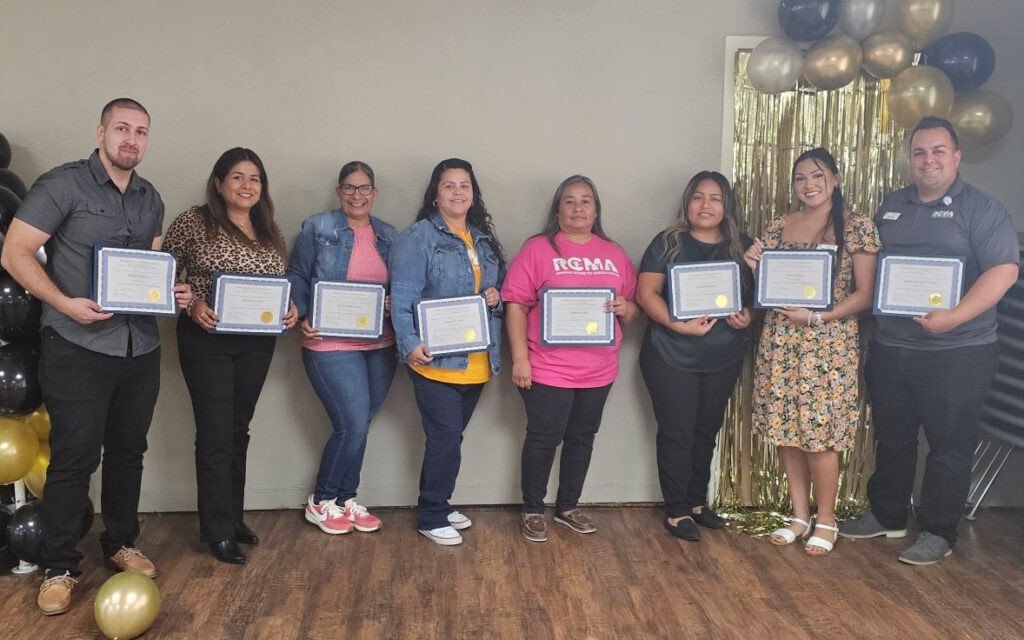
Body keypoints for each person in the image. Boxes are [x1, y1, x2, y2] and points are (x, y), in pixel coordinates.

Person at [1, 98, 191, 615]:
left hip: (139, 346)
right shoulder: (62, 185)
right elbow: (14, 252)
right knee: (74, 459)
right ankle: (59, 566)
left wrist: (169, 293)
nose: (132, 139)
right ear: (101, 130)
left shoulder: (151, 197)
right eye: (123, 128)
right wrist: (64, 302)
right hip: (76, 346)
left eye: (142, 132)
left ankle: (121, 543)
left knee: (130, 451)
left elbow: (147, 270)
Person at [839, 117, 1020, 565]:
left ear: (956, 157)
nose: (928, 160)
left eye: (938, 151)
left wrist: (954, 316)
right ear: (910, 159)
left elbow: (1004, 271)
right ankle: (887, 514)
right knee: (893, 438)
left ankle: (940, 530)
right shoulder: (892, 204)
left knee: (948, 445)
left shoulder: (982, 208)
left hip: (959, 352)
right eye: (919, 152)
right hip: (893, 348)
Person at [162, 147, 297, 565]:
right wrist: (192, 304)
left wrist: (289, 309)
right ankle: (217, 532)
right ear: (219, 183)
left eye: (254, 178)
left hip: (257, 342)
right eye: (237, 177)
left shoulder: (269, 227)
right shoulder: (194, 220)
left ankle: (232, 518)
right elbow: (163, 274)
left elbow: (280, 281)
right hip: (208, 340)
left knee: (238, 430)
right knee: (216, 433)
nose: (247, 186)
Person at [744, 147, 880, 555]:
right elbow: (768, 290)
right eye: (801, 177)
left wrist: (819, 318)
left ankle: (827, 519)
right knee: (787, 432)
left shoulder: (856, 227)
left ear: (835, 179)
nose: (809, 184)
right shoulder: (778, 226)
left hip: (827, 344)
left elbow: (867, 294)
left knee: (819, 437)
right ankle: (799, 516)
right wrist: (756, 267)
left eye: (817, 175)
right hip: (781, 342)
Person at [502, 175, 639, 542]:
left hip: (599, 369)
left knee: (582, 438)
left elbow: (632, 307)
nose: (578, 208)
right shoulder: (537, 249)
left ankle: (567, 507)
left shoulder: (614, 253)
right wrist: (520, 359)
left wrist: (627, 307)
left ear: (596, 210)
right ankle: (533, 509)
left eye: (586, 201)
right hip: (548, 368)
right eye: (569, 201)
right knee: (544, 438)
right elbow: (515, 305)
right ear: (557, 208)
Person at [390, 158, 505, 546]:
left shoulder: (482, 240)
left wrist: (494, 297)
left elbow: (491, 295)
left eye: (465, 186)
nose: (458, 192)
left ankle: (438, 501)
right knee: (443, 439)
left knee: (450, 439)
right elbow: (403, 298)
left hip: (476, 361)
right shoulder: (417, 238)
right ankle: (431, 513)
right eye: (449, 186)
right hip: (435, 360)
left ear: (473, 195)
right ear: (435, 195)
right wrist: (409, 345)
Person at [636, 171, 753, 542]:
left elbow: (758, 295)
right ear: (687, 202)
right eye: (698, 197)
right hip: (670, 353)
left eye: (715, 198)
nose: (706, 205)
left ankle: (697, 502)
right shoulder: (667, 242)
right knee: (677, 432)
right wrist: (678, 325)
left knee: (706, 431)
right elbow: (646, 293)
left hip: (723, 355)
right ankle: (677, 510)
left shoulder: (744, 246)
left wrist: (750, 315)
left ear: (726, 206)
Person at [287, 161, 398, 535]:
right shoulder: (317, 227)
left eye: (364, 188)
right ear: (339, 192)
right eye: (349, 188)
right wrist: (300, 312)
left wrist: (391, 302)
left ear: (375, 193)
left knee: (360, 425)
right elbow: (299, 274)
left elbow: (402, 283)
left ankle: (345, 500)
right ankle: (321, 501)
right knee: (350, 424)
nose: (357, 196)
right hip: (329, 343)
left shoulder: (388, 234)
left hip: (379, 343)